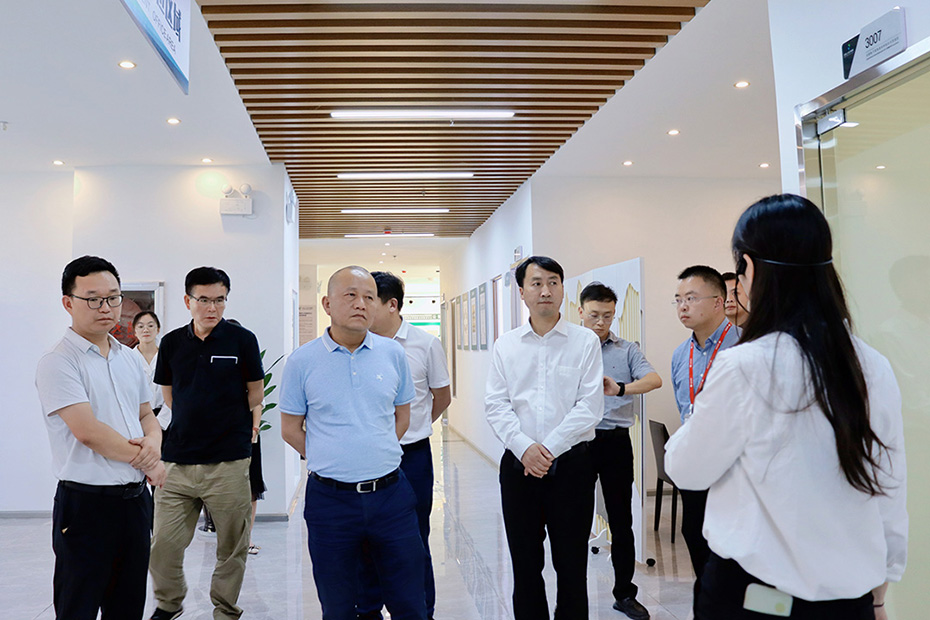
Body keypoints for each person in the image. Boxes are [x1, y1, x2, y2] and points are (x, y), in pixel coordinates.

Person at [665, 194, 908, 619]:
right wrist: (879, 596)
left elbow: (686, 470)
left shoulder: (745, 365)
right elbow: (889, 486)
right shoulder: (871, 364)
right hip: (848, 600)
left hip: (753, 597)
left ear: (748, 268)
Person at [280, 266, 425, 620]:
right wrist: (332, 456)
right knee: (339, 606)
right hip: (330, 501)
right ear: (327, 303)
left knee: (409, 602)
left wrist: (374, 451)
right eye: (351, 295)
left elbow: (402, 417)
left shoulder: (392, 354)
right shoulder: (302, 361)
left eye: (369, 297)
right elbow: (290, 429)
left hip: (391, 497)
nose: (361, 304)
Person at [35, 255, 166, 620]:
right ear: (68, 303)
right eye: (93, 299)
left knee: (127, 606)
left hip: (135, 504)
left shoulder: (129, 358)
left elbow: (146, 415)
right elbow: (88, 432)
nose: (106, 308)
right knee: (78, 606)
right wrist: (149, 462)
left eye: (112, 298)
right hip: (86, 506)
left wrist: (154, 444)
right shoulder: (59, 361)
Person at [486, 256, 604, 620]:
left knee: (572, 566)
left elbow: (590, 406)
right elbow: (496, 405)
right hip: (518, 469)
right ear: (522, 292)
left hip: (572, 467)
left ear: (563, 290)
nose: (545, 291)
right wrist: (525, 449)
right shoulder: (506, 345)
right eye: (536, 283)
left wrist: (547, 449)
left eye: (553, 282)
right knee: (525, 566)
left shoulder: (585, 341)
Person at [150, 267, 265, 620]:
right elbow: (169, 395)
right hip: (177, 461)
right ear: (188, 301)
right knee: (163, 544)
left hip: (227, 461)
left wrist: (234, 425)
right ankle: (169, 603)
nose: (212, 307)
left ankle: (225, 610)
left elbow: (255, 392)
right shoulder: (172, 343)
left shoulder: (242, 340)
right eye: (203, 300)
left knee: (232, 546)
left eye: (219, 300)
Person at [357, 271, 452, 620]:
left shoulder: (425, 344)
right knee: (366, 539)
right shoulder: (358, 344)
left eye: (370, 300)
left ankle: (421, 610)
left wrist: (415, 426)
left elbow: (441, 397)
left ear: (392, 305)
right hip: (367, 458)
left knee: (414, 538)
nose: (362, 307)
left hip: (412, 457)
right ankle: (369, 609)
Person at [577, 282, 661, 620]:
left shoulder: (627, 350)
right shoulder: (569, 349)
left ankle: (624, 594)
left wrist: (621, 388)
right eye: (594, 315)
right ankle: (574, 595)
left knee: (621, 520)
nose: (601, 322)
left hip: (614, 442)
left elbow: (653, 380)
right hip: (577, 443)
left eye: (608, 316)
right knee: (574, 519)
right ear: (580, 312)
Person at [669, 265, 739, 604]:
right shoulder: (679, 355)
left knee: (731, 542)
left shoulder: (744, 346)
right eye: (678, 299)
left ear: (718, 302)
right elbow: (685, 409)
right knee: (694, 532)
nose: (683, 306)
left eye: (692, 298)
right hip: (697, 464)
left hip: (735, 466)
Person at [133, 311, 171, 430]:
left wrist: (160, 422)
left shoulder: (167, 357)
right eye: (140, 326)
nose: (146, 330)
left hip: (165, 419)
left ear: (158, 329)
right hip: (136, 418)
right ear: (135, 332)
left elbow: (173, 391)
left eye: (150, 325)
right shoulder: (128, 358)